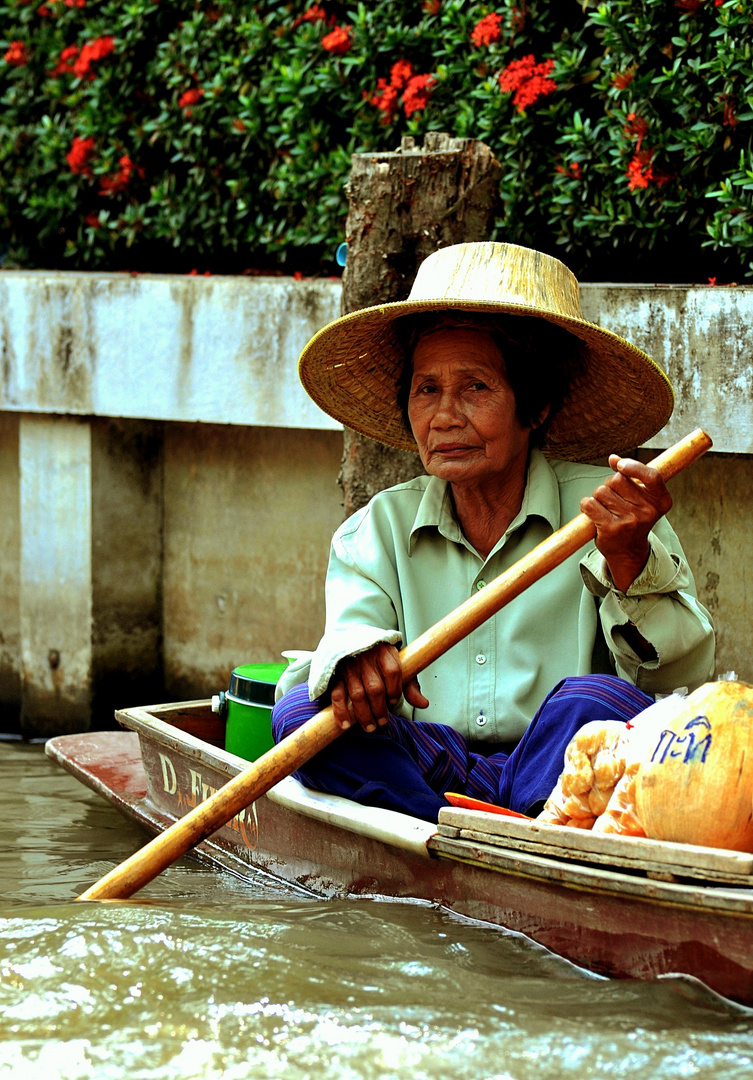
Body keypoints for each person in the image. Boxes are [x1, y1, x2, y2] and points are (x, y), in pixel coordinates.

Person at [272, 242, 715, 822]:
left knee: (596, 702)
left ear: (535, 407)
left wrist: (630, 559)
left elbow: (679, 687)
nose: (444, 416)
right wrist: (357, 662)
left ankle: (531, 826)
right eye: (426, 389)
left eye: (475, 387)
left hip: (565, 768)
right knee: (300, 719)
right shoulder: (377, 530)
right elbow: (347, 636)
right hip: (431, 767)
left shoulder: (611, 513)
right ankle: (443, 832)